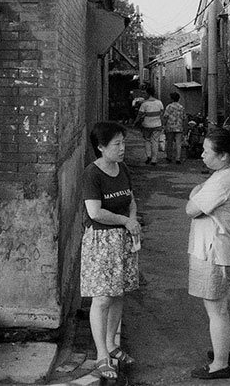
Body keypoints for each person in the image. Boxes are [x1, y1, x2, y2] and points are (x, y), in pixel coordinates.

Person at [185, 128, 230, 380]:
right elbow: (201, 195)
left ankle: (220, 364)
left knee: (216, 311)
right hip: (225, 251)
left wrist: (196, 194)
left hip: (214, 253)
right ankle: (221, 352)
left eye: (206, 151)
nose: (201, 155)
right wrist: (200, 192)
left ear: (223, 156)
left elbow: (191, 207)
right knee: (218, 308)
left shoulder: (223, 181)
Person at [81, 121, 141, 380]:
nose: (122, 148)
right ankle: (101, 354)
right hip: (101, 241)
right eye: (117, 144)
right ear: (101, 147)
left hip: (124, 240)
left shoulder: (123, 168)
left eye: (123, 143)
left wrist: (133, 219)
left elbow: (131, 200)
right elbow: (95, 212)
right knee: (103, 297)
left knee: (119, 294)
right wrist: (125, 221)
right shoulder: (92, 174)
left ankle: (112, 345)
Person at [133, 85, 164, 165]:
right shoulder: (159, 102)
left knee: (147, 140)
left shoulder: (144, 104)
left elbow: (139, 115)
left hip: (146, 125)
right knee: (155, 141)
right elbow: (162, 114)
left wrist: (135, 122)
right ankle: (154, 159)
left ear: (148, 94)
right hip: (157, 125)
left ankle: (148, 156)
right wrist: (162, 124)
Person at [163, 92, 186, 164]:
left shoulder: (169, 107)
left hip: (170, 127)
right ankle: (178, 158)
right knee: (178, 143)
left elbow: (165, 117)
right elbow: (184, 118)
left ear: (171, 99)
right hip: (179, 127)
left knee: (169, 142)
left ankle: (169, 157)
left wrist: (163, 125)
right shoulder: (181, 107)